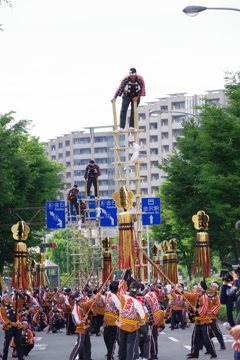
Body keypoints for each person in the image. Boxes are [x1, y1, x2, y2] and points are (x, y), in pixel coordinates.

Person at [181, 281, 217, 359]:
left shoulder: (204, 298)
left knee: (206, 338)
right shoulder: (197, 295)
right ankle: (194, 353)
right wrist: (180, 291)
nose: (196, 287)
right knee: (195, 337)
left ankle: (213, 354)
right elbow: (189, 296)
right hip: (198, 321)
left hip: (205, 321)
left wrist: (196, 310)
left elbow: (203, 309)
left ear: (200, 289)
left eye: (197, 286)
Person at [0, 291, 26, 360]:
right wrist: (11, 323)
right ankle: (4, 358)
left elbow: (21, 301)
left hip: (17, 326)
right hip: (9, 328)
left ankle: (21, 358)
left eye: (7, 296)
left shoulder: (13, 304)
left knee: (19, 343)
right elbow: (3, 318)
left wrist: (19, 293)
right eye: (5, 296)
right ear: (2, 299)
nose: (7, 297)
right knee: (6, 344)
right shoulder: (2, 308)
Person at [103, 281, 120, 360]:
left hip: (112, 320)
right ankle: (111, 353)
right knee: (108, 338)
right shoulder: (111, 295)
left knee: (112, 339)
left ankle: (110, 356)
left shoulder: (112, 296)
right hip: (109, 319)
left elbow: (119, 308)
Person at [207, 281, 226, 351]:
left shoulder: (216, 297)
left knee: (216, 331)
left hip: (212, 317)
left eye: (213, 287)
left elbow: (217, 306)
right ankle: (202, 346)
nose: (211, 288)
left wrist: (210, 311)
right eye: (211, 286)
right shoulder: (206, 294)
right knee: (204, 331)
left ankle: (222, 345)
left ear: (216, 289)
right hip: (205, 316)